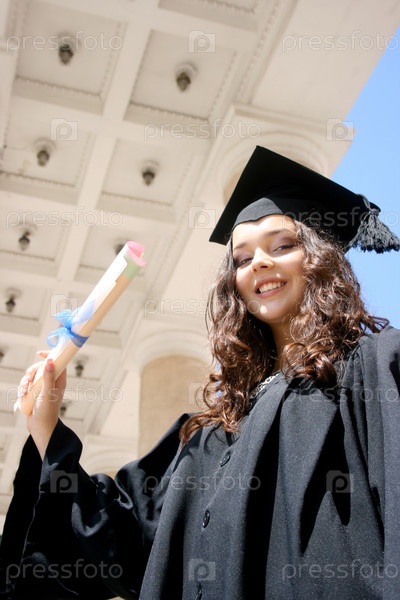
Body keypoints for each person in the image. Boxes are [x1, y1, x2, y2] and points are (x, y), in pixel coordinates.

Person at [1, 145, 400, 600]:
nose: (259, 262)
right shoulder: (209, 436)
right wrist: (47, 429)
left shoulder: (371, 370)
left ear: (320, 259)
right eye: (242, 258)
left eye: (283, 246)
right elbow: (119, 540)